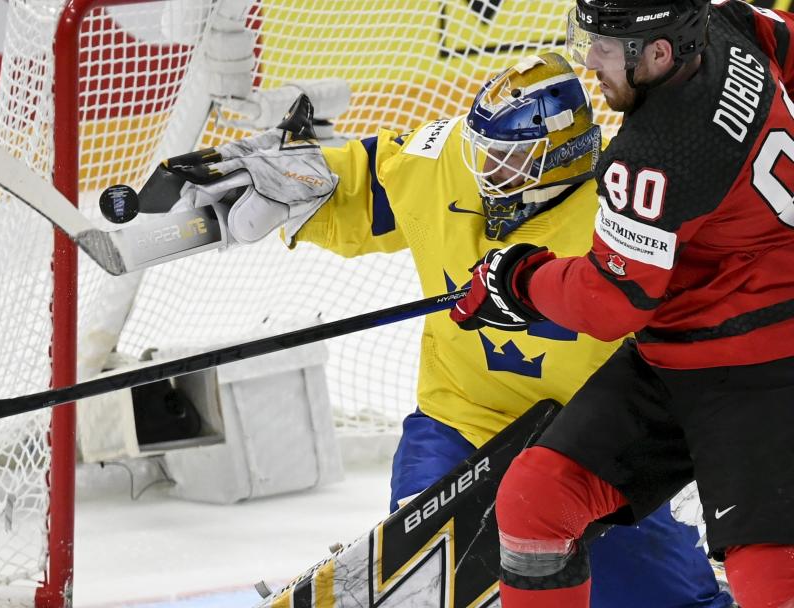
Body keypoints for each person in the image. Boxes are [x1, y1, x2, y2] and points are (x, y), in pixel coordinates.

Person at [169, 52, 731, 606]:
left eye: (507, 160)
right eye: (480, 150)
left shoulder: (626, 215)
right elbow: (368, 182)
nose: (485, 171)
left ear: (561, 158)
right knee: (419, 576)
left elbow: (701, 341)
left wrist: (693, 454)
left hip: (595, 447)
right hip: (461, 422)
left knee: (670, 598)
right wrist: (307, 173)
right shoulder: (448, 165)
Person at [446, 1, 794, 606]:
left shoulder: (657, 153)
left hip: (768, 366)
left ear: (658, 53)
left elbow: (611, 305)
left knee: (770, 575)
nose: (589, 60)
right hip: (677, 353)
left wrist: (520, 279)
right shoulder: (726, 21)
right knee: (537, 497)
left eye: (605, 46)